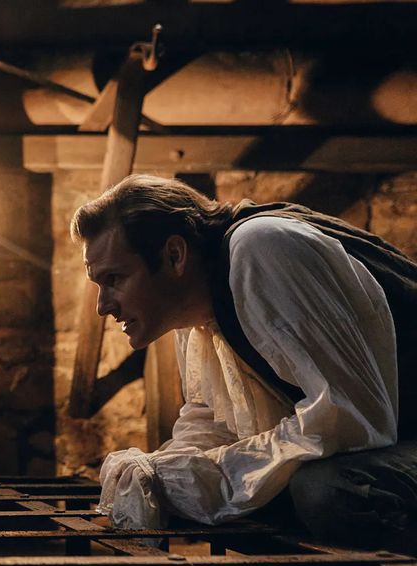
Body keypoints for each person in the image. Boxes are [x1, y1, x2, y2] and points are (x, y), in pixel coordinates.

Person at [75, 174, 417, 547]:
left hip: (398, 438)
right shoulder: (193, 310)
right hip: (388, 441)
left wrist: (210, 481)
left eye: (115, 278)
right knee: (219, 493)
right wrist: (161, 473)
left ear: (174, 256)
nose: (103, 305)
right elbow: (212, 422)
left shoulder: (262, 249)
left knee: (326, 491)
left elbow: (352, 419)